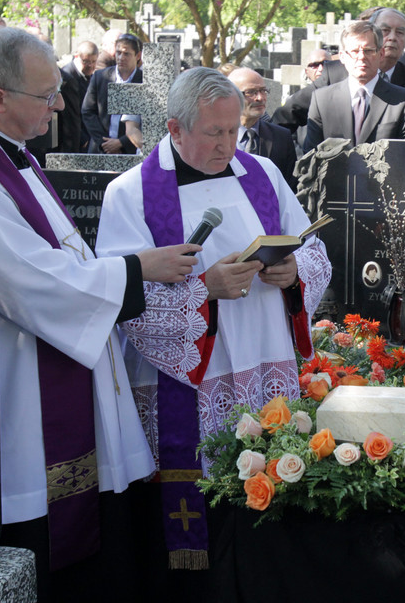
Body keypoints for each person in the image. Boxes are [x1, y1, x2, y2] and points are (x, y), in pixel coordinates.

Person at [0, 27, 198, 602]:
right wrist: (136, 270)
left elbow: (60, 258)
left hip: (59, 376)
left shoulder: (8, 156)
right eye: (47, 96)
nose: (60, 104)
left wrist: (121, 270)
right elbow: (32, 283)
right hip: (25, 401)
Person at [95, 67, 331, 597]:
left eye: (234, 130)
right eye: (214, 133)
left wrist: (293, 273)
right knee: (202, 518)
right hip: (187, 383)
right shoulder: (130, 193)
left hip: (265, 364)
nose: (229, 144)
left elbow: (312, 251)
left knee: (264, 504)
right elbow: (119, 296)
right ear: (176, 130)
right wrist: (205, 288)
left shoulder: (263, 173)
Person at [303, 20, 405, 153]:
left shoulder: (402, 101)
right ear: (343, 57)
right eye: (355, 51)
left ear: (381, 55)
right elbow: (311, 155)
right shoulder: (322, 100)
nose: (361, 57)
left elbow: (404, 157)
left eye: (368, 51)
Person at [228, 67, 298, 190]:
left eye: (263, 91)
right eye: (251, 92)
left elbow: (289, 188)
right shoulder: (215, 137)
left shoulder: (281, 137)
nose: (260, 98)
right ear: (231, 95)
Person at [82, 32, 143, 154]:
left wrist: (121, 143)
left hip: (130, 149)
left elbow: (147, 121)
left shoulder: (144, 80)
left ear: (138, 56)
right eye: (118, 53)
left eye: (126, 54)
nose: (121, 58)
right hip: (100, 148)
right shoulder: (101, 77)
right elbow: (88, 111)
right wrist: (105, 143)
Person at [56, 40, 97, 153]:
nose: (90, 65)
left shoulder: (90, 76)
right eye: (86, 61)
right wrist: (82, 139)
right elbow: (70, 116)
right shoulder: (67, 77)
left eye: (94, 61)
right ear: (76, 56)